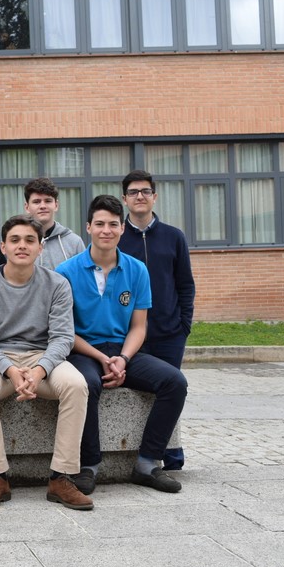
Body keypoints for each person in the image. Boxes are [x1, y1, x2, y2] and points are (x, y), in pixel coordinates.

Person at [57, 195, 188, 496]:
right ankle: (88, 465)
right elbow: (65, 331)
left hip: (123, 349)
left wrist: (123, 359)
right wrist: (102, 358)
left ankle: (147, 463)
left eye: (113, 224)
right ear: (88, 227)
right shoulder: (65, 271)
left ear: (122, 229)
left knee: (175, 382)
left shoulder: (137, 270)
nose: (106, 230)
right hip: (83, 350)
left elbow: (139, 326)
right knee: (86, 384)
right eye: (100, 224)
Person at [0, 215, 93, 511]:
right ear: (3, 247)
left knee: (76, 385)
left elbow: (63, 337)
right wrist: (10, 370)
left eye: (29, 240)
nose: (21, 246)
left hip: (43, 356)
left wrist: (39, 371)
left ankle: (61, 478)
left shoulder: (57, 284)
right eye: (14, 240)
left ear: (40, 248)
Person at [117, 170, 195, 471]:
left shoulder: (174, 237)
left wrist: (183, 325)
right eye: (133, 192)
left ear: (154, 196)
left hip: (169, 334)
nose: (140, 196)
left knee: (172, 389)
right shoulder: (117, 237)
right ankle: (133, 451)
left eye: (145, 191)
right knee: (136, 393)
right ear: (125, 199)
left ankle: (171, 454)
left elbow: (185, 284)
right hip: (128, 335)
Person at [23, 177, 85, 270]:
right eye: (37, 202)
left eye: (48, 201)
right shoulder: (18, 242)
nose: (42, 206)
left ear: (56, 205)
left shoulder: (74, 242)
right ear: (27, 207)